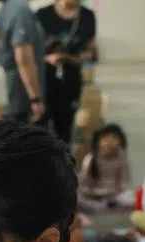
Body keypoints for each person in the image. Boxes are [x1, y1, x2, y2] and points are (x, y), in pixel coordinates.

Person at [36, 0, 98, 144]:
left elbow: (90, 51)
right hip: (44, 79)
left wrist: (71, 58)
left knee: (65, 129)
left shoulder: (87, 16)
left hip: (70, 79)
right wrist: (47, 58)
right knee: (39, 126)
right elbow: (30, 50)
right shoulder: (42, 15)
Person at [0, 0, 46, 123]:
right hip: (18, 97)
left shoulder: (8, 7)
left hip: (9, 94)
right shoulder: (20, 9)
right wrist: (35, 98)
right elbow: (23, 58)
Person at [78, 123, 132, 211]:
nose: (109, 143)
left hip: (115, 196)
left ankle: (108, 206)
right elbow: (84, 187)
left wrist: (112, 193)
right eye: (106, 139)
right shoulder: (90, 159)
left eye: (114, 139)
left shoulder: (122, 159)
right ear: (98, 141)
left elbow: (123, 184)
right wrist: (97, 194)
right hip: (94, 196)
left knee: (128, 199)